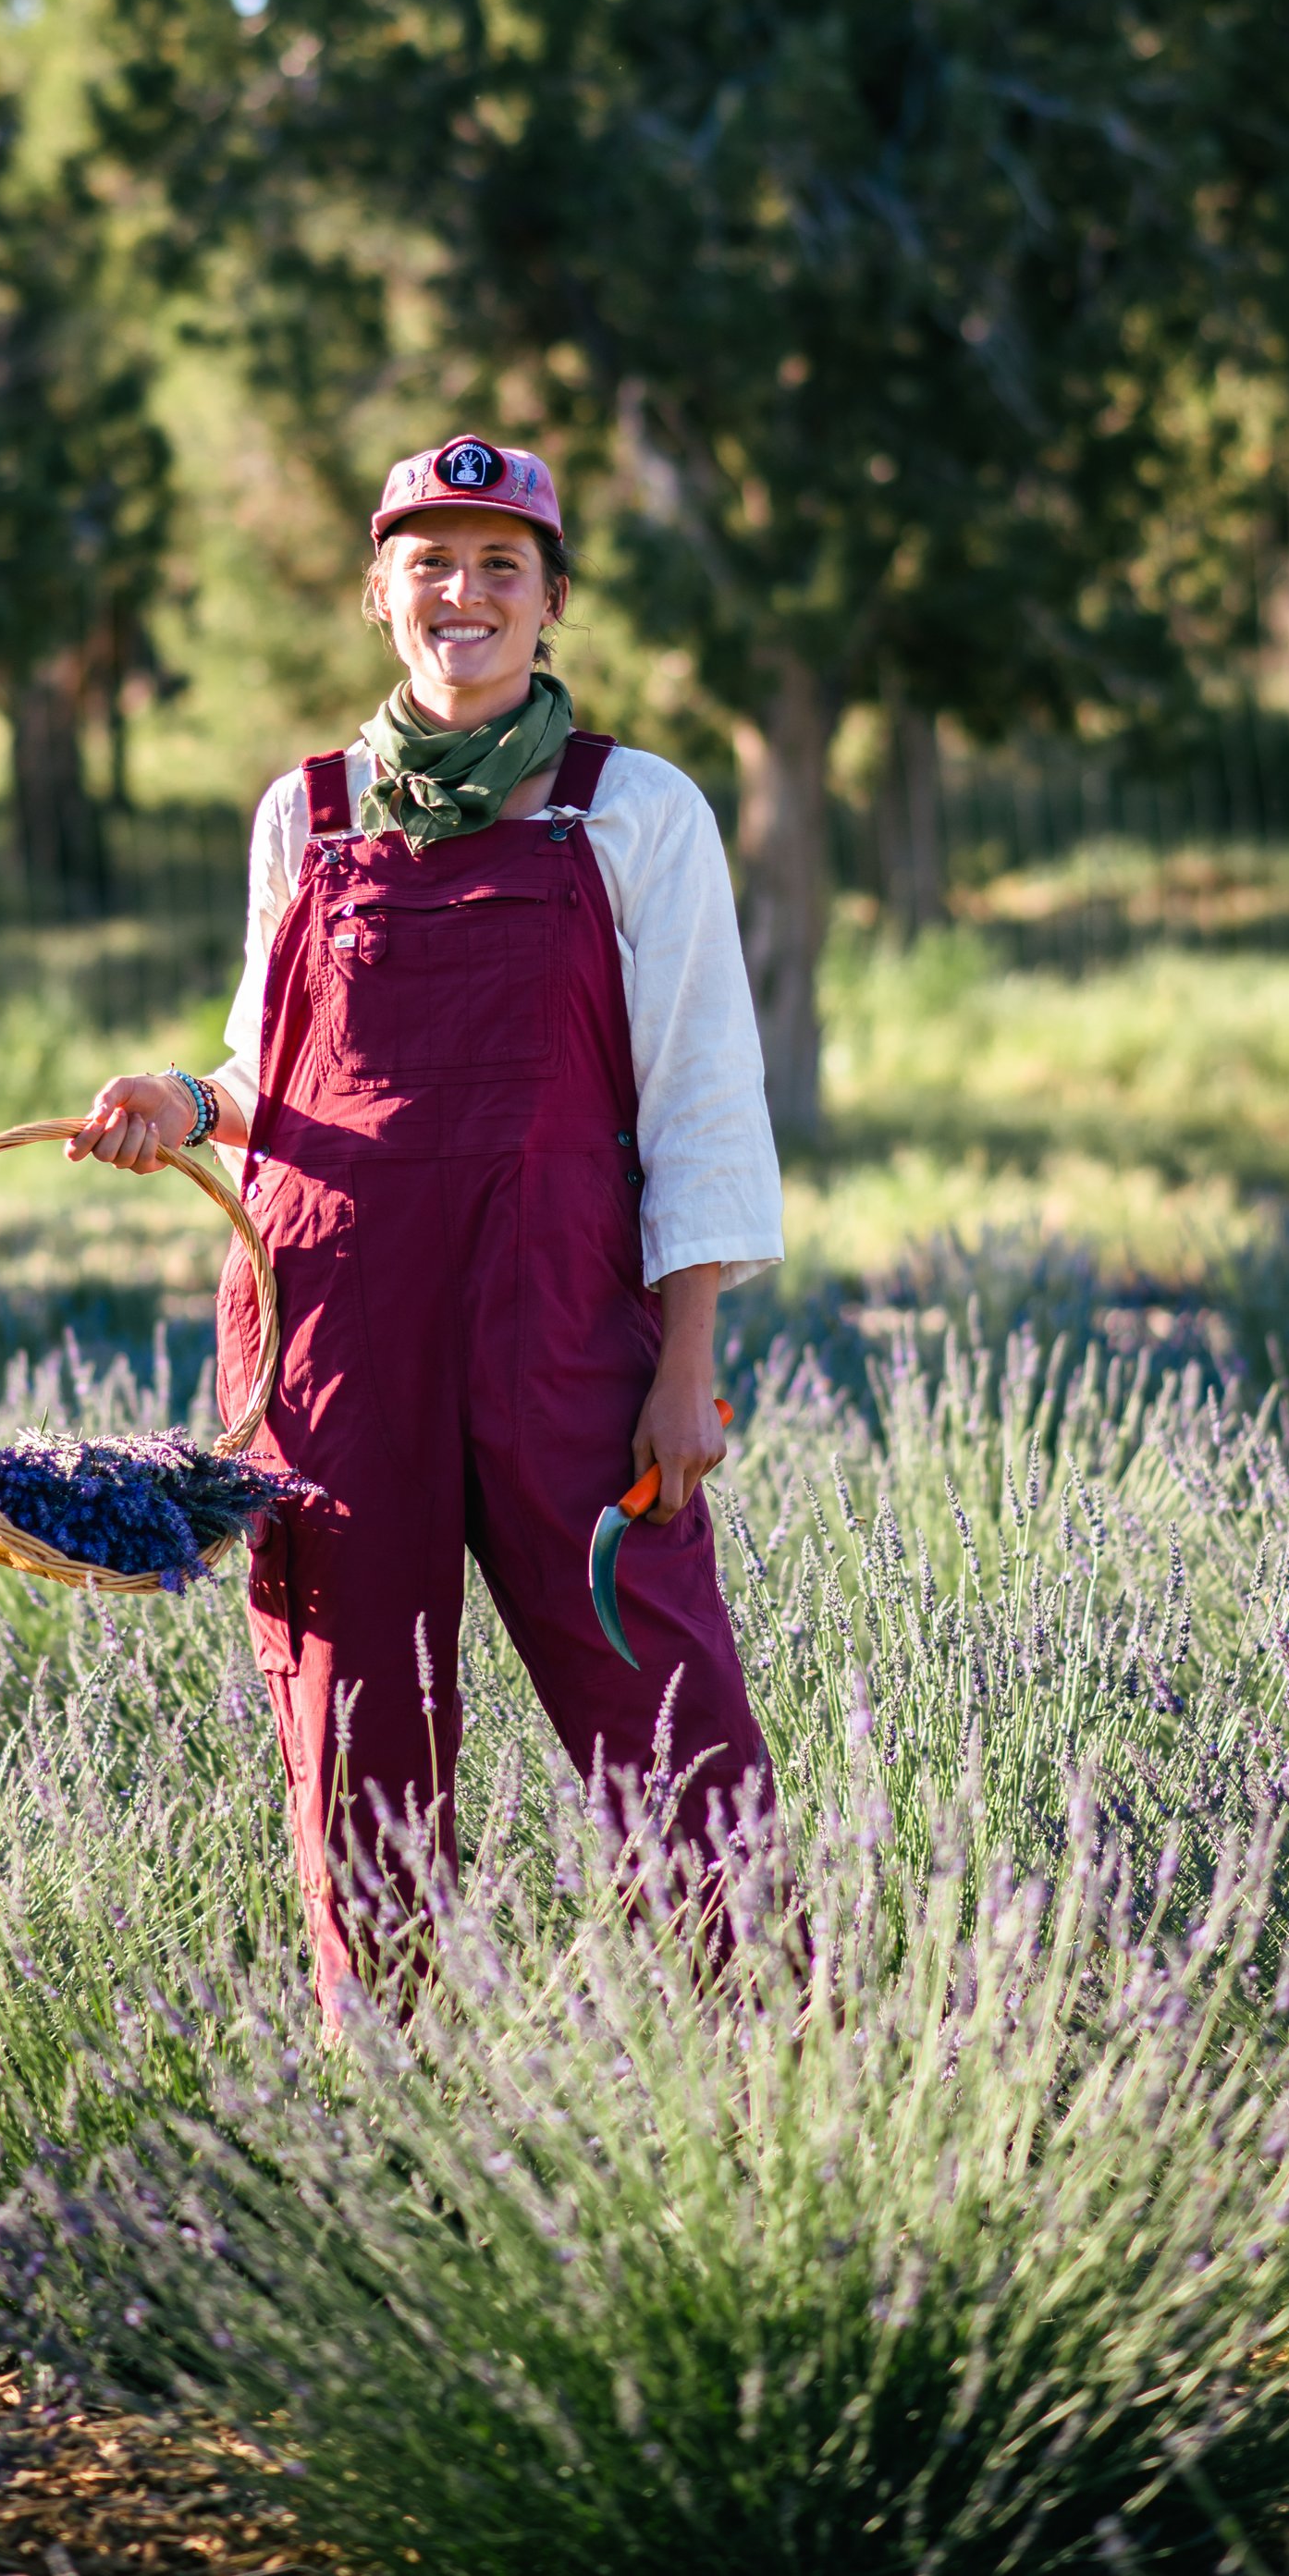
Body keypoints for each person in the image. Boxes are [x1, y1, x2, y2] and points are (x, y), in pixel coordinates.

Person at [68, 435, 784, 2009]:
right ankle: (383, 2083)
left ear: (552, 602)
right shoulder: (306, 815)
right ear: (382, 593)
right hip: (333, 1326)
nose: (464, 593)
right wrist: (181, 1101)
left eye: (500, 567)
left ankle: (768, 2068)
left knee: (657, 1686)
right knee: (351, 1709)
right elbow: (272, 1063)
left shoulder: (633, 809)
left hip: (566, 1326)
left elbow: (704, 1103)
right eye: (431, 563)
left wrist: (688, 1365)